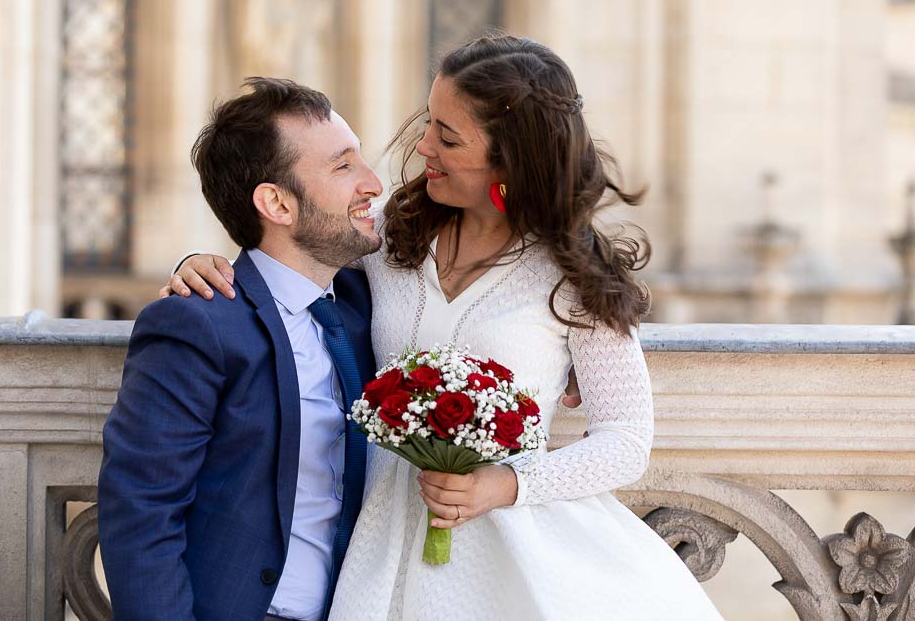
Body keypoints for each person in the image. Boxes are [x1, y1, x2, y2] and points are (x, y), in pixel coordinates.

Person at [165, 35, 724, 619]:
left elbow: (626, 440)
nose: (423, 146)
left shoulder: (575, 276)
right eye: (429, 121)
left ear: (512, 159)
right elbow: (292, 253)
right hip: (381, 542)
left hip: (517, 548)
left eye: (448, 137)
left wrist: (502, 485)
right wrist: (205, 265)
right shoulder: (388, 235)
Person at [97, 77, 383, 621]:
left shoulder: (365, 307)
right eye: (343, 167)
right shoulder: (197, 323)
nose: (372, 184)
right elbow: (141, 510)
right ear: (276, 202)